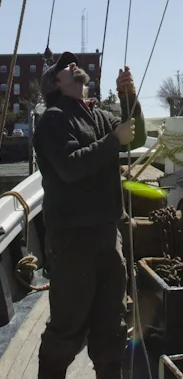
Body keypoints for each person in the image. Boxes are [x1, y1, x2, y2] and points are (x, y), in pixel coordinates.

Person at [33, 51, 147, 379]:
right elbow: (69, 167)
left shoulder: (97, 114)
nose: (73, 64)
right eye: (64, 65)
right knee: (68, 326)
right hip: (73, 240)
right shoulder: (53, 119)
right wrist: (114, 140)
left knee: (111, 323)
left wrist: (128, 97)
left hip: (107, 233)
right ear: (56, 82)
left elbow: (134, 136)